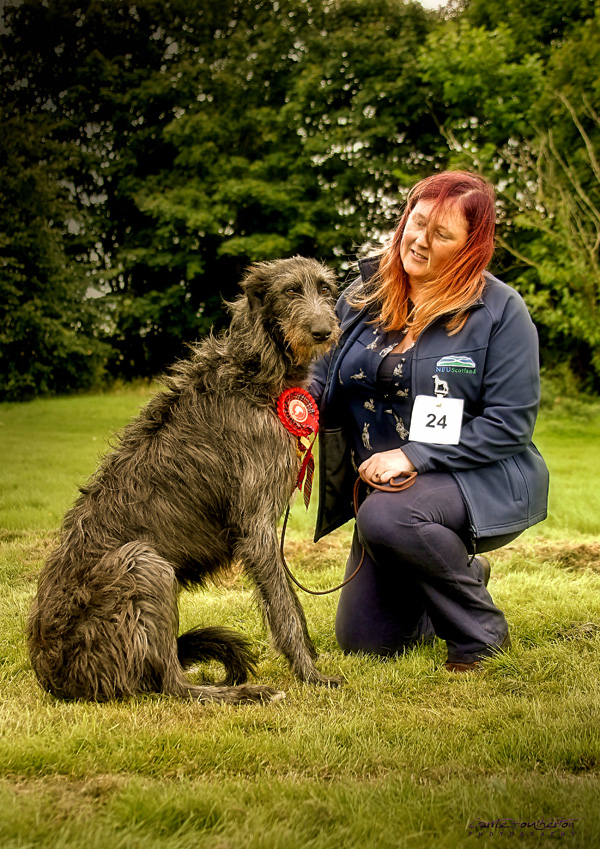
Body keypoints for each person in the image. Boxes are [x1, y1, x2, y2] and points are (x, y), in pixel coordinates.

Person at [309, 170, 549, 671]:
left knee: (387, 516)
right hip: (392, 488)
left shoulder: (502, 310)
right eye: (417, 223)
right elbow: (321, 374)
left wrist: (414, 454)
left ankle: (479, 636)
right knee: (366, 643)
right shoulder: (364, 293)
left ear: (470, 246)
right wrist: (294, 419)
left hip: (475, 476)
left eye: (442, 235)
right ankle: (450, 569)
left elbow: (510, 424)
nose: (420, 241)